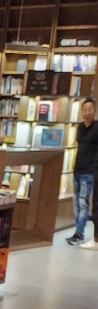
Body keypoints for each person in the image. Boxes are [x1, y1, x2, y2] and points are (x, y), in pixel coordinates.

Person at [67, 97, 96, 246]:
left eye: (90, 110)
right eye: (85, 110)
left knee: (83, 203)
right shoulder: (79, 127)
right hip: (77, 169)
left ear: (94, 111)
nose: (87, 113)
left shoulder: (97, 128)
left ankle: (79, 233)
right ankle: (78, 232)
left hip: (89, 171)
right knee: (76, 203)